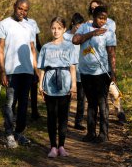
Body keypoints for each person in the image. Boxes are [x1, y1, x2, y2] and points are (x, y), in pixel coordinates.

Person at [0, 0, 38, 148]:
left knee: (23, 104)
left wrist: (36, 70)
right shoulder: (4, 24)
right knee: (10, 103)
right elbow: (0, 49)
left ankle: (19, 133)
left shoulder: (30, 26)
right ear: (14, 6)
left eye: (26, 10)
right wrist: (2, 71)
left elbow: (33, 49)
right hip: (11, 71)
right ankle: (8, 134)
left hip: (27, 71)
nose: (22, 12)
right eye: (20, 8)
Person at [72, 5, 116, 143]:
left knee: (102, 103)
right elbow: (75, 40)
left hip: (102, 72)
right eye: (100, 18)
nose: (102, 21)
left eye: (105, 18)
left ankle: (103, 134)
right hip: (85, 72)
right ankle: (90, 133)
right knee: (91, 103)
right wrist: (93, 33)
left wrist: (113, 72)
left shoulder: (108, 32)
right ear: (93, 16)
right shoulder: (85, 27)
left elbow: (111, 53)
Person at [38, 17, 77, 157]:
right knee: (51, 116)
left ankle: (62, 146)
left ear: (64, 30)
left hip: (65, 83)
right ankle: (53, 146)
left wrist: (73, 85)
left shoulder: (69, 46)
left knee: (63, 116)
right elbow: (42, 68)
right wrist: (40, 84)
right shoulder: (46, 47)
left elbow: (72, 67)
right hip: (49, 83)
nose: (56, 31)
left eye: (59, 28)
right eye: (54, 28)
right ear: (50, 29)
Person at [87, 0, 126, 125]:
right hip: (93, 64)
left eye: (96, 7)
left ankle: (120, 112)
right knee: (97, 94)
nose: (94, 9)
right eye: (92, 8)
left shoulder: (110, 23)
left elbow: (110, 42)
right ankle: (100, 117)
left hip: (106, 62)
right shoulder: (87, 25)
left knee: (113, 90)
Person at [63, 13, 86, 130]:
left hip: (81, 69)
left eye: (81, 25)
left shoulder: (83, 36)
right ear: (73, 23)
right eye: (78, 25)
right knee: (67, 96)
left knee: (81, 97)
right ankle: (64, 121)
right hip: (68, 70)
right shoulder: (64, 35)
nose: (79, 27)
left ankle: (79, 122)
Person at [24, 11, 42, 120]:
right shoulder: (12, 24)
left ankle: (34, 112)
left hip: (34, 59)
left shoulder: (33, 22)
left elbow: (37, 40)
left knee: (34, 85)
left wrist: (43, 52)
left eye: (25, 10)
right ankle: (22, 111)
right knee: (24, 87)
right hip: (22, 59)